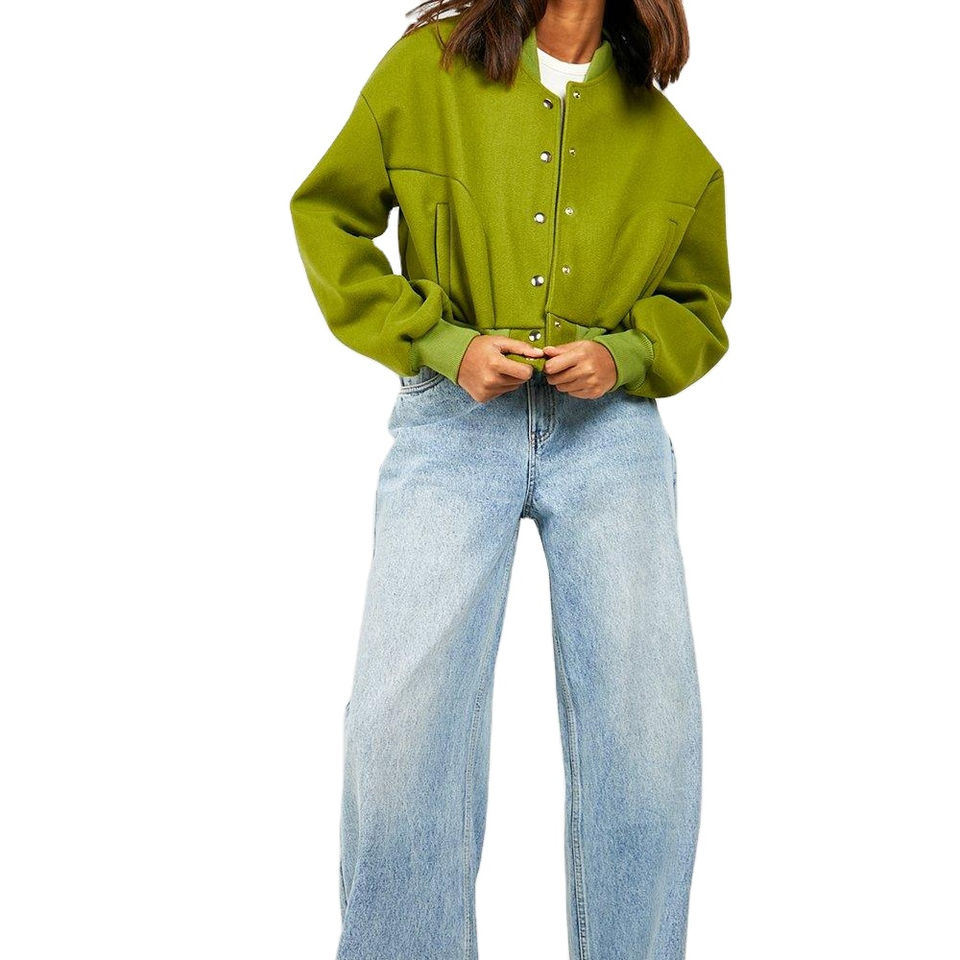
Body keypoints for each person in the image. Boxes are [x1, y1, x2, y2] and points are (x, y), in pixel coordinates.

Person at [288, 0, 732, 957]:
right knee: (403, 730)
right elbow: (328, 218)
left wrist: (623, 354)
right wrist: (440, 343)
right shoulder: (428, 71)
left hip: (610, 435)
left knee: (650, 736)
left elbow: (700, 306)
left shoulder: (674, 145)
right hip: (454, 424)